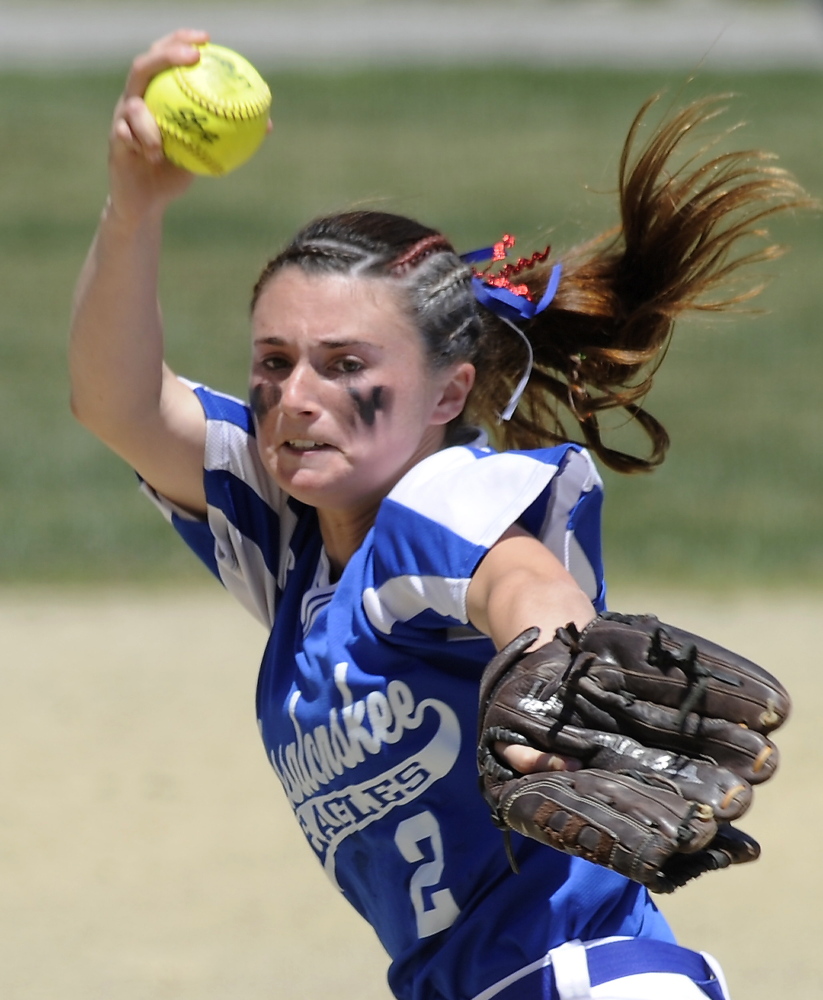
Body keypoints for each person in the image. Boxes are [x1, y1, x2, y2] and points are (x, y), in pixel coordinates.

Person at [68, 29, 807, 1000]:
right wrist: (133, 204)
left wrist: (555, 664)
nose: (296, 397)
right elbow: (116, 403)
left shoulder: (436, 498)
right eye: (275, 362)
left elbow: (516, 580)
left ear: (447, 393)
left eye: (345, 365)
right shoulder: (287, 545)